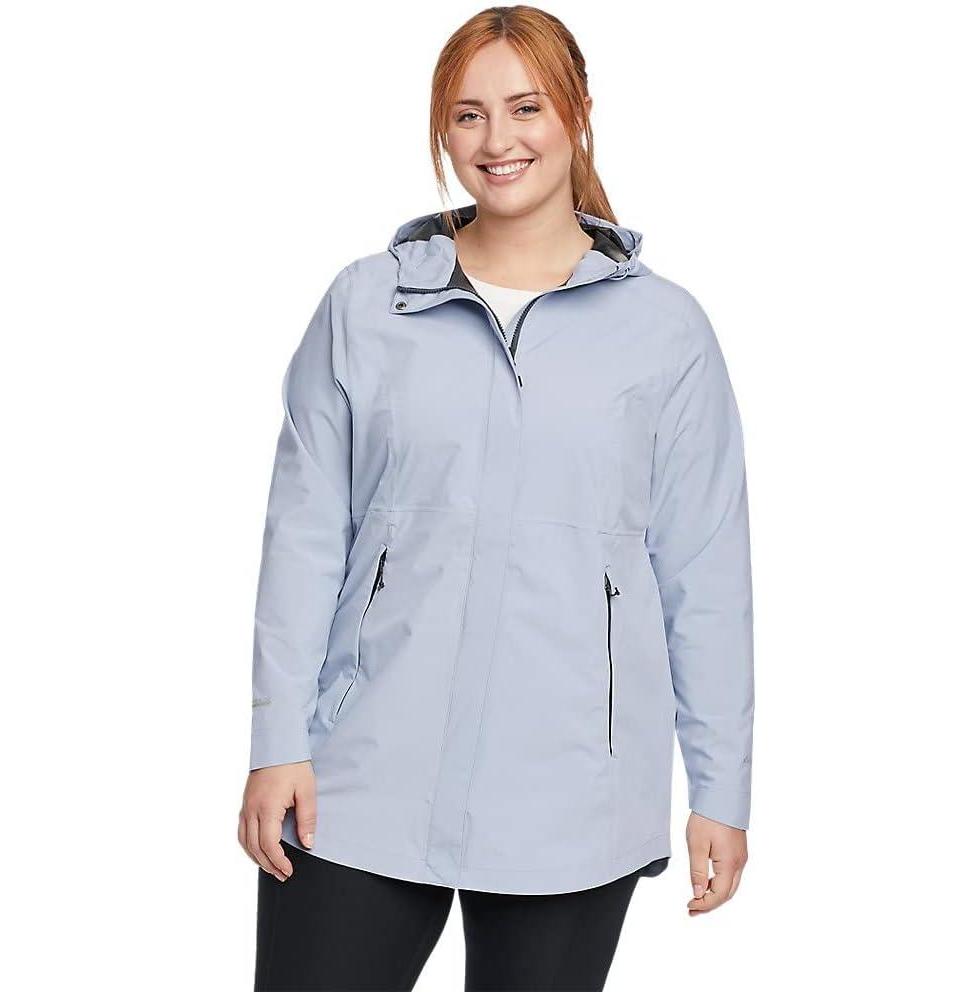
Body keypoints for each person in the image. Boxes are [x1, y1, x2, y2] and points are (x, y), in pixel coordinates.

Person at [239, 6, 754, 990]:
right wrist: (276, 742)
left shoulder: (665, 332)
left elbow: (705, 573)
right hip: (359, 772)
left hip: (574, 793)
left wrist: (719, 789)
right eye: (467, 114)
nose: (496, 139)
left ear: (577, 112)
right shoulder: (366, 304)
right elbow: (302, 538)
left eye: (525, 107)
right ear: (442, 128)